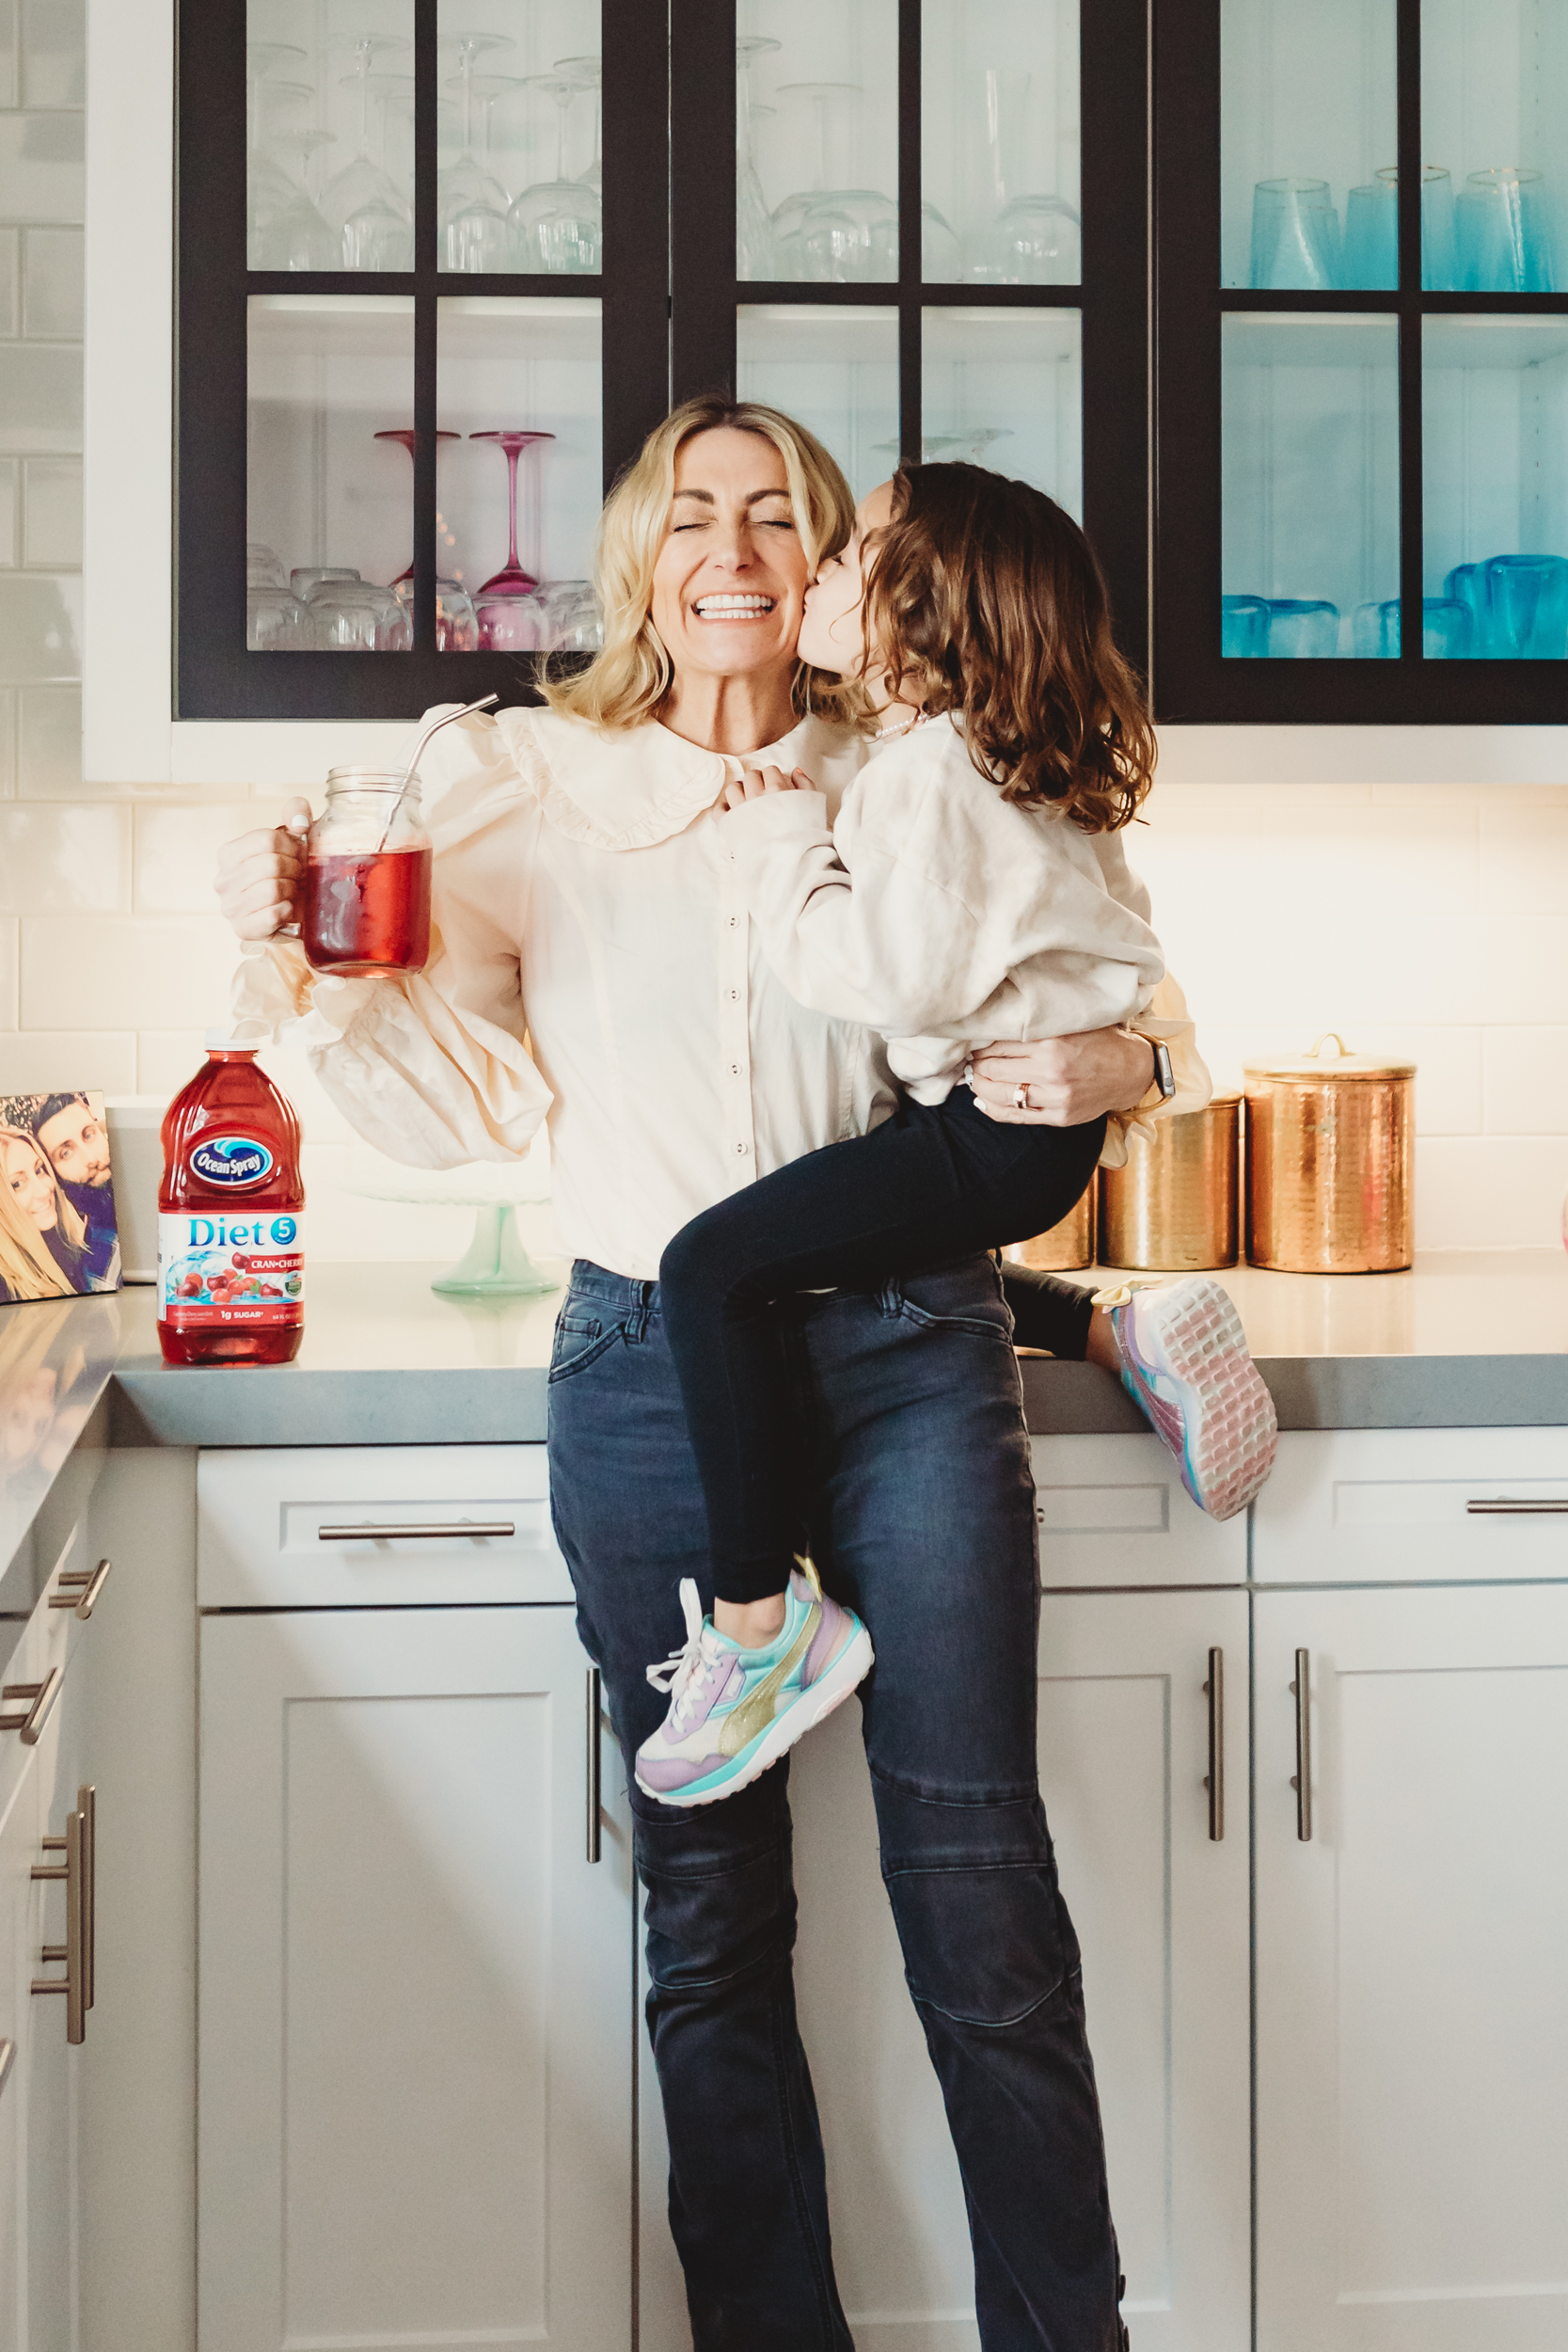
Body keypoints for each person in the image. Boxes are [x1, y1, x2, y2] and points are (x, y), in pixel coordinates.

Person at [214, 394, 1186, 2352]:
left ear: (842, 564)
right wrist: (297, 952)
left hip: (916, 1354)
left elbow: (1124, 990)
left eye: (775, 515)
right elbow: (409, 1041)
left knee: (976, 1898)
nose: (731, 549)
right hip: (650, 1370)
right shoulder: (523, 785)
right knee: (710, 1916)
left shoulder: (922, 741)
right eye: (690, 514)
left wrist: (1126, 1068)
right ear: (638, 557)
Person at [639, 461, 1277, 1810]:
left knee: (709, 1269)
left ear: (915, 609)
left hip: (994, 1129)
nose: (810, 568)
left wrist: (785, 847)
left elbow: (888, 982)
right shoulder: (996, 757)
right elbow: (1111, 940)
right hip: (1024, 1138)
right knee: (872, 1242)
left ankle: (762, 1628)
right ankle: (1121, 1328)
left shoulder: (919, 773)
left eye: (847, 553)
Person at [27, 1093, 119, 1285]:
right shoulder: (100, 1269)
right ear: (55, 1176)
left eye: (88, 1135)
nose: (90, 1159)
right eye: (66, 1153)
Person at [0, 1121, 94, 1300]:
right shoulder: (7, 1291)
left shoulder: (67, 1243)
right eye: (17, 1184)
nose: (44, 1190)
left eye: (39, 1170)